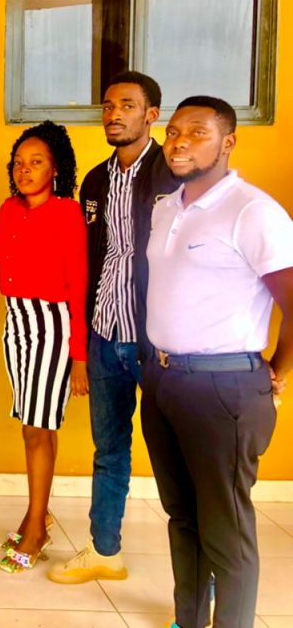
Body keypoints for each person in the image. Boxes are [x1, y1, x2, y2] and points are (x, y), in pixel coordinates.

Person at [142, 96, 292, 628]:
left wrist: (277, 369)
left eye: (197, 132)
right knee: (182, 515)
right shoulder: (166, 207)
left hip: (223, 388)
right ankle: (188, 619)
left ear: (228, 142)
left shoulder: (253, 212)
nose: (179, 142)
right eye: (173, 132)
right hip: (163, 380)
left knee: (226, 530)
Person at [51, 70, 180, 585]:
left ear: (152, 115)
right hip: (105, 335)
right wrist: (81, 347)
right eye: (107, 105)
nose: (113, 114)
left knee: (179, 456)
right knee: (109, 451)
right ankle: (105, 551)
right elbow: (87, 264)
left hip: (159, 343)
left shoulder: (173, 176)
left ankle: (202, 579)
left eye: (127, 105)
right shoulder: (95, 181)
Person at [0, 121, 87, 573]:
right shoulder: (8, 210)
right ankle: (39, 512)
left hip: (52, 326)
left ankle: (36, 527)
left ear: (55, 169)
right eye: (19, 162)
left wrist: (80, 356)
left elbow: (79, 286)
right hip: (15, 324)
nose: (25, 170)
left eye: (36, 162)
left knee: (38, 426)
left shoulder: (67, 213)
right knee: (34, 426)